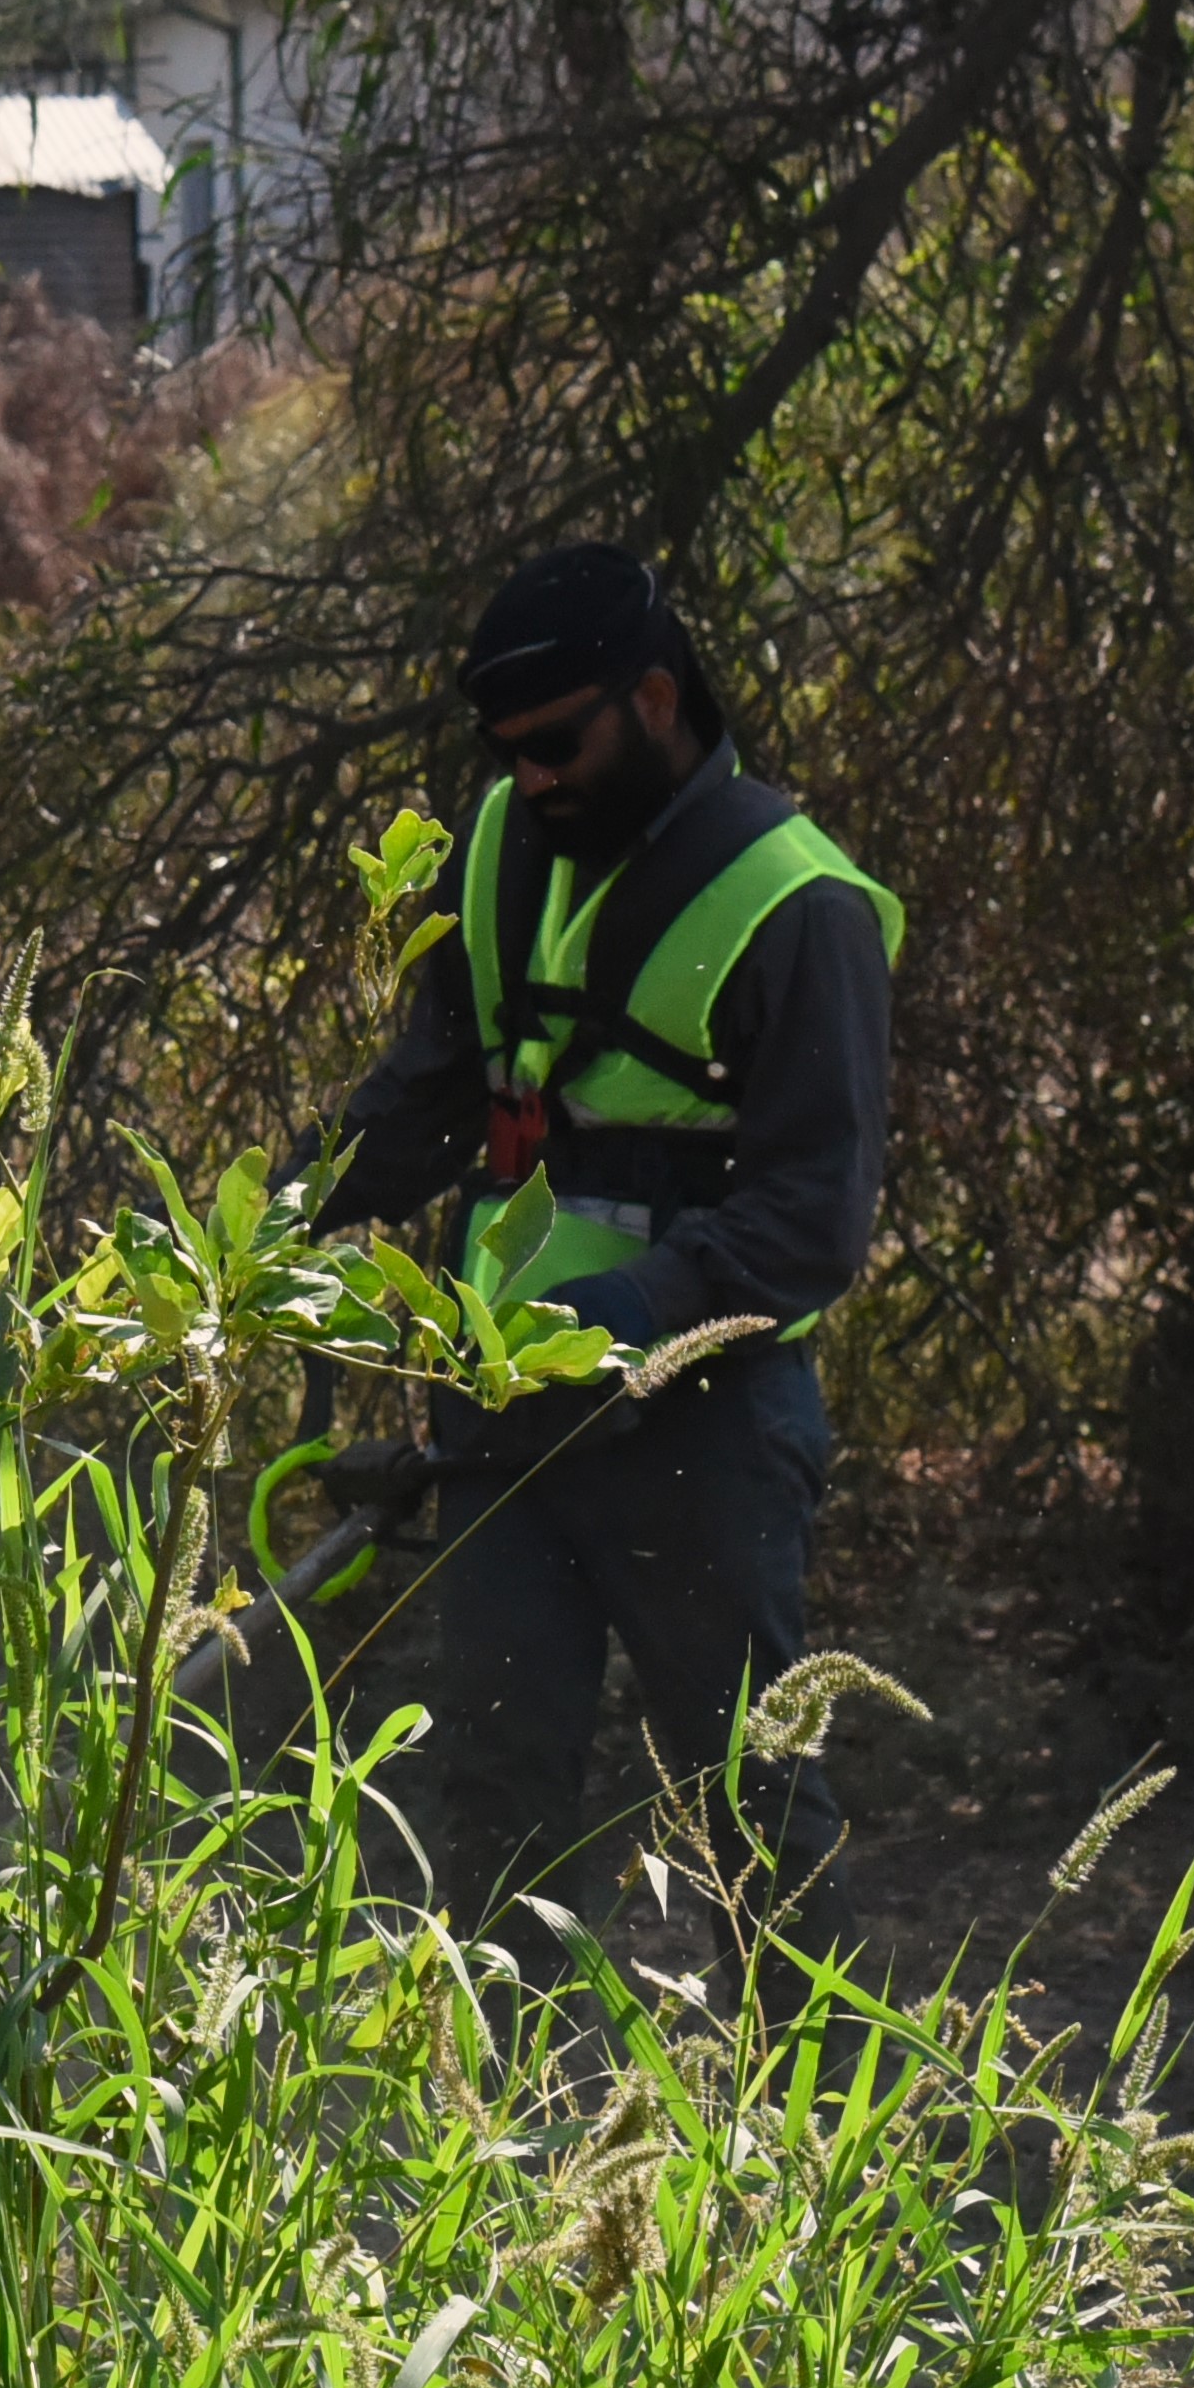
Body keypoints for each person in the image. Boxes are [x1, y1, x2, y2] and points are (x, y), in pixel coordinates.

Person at [314, 543, 899, 1943]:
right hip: (505, 1421)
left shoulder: (799, 903)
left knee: (751, 1814)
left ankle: (818, 2154)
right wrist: (267, 1224)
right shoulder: (503, 847)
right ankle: (510, 2149)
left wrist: (617, 1331)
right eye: (504, 754)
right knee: (498, 1800)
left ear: (652, 697)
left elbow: (810, 1222)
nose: (530, 781)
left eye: (556, 746)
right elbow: (436, 1087)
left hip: (706, 1425)